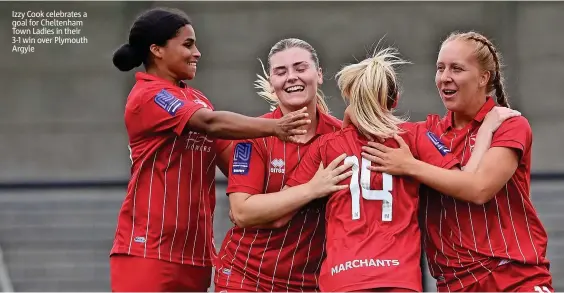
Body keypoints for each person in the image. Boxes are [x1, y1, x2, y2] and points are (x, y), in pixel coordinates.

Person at [109, 8, 312, 292]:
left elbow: (235, 159)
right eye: (188, 45)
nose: (198, 53)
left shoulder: (197, 99)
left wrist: (295, 181)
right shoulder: (148, 96)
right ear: (156, 50)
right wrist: (275, 127)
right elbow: (211, 123)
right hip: (147, 252)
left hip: (197, 256)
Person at [284, 47, 518, 292]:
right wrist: (485, 130)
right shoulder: (414, 136)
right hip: (398, 279)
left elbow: (285, 206)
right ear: (394, 100)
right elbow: (467, 180)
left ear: (351, 98)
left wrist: (312, 188)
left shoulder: (326, 146)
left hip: (342, 280)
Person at [361, 31, 553, 292]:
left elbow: (479, 189)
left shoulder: (510, 125)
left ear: (483, 78)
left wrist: (409, 166)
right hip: (454, 285)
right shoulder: (426, 133)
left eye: (457, 68)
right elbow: (361, 118)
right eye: (440, 68)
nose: (444, 77)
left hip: (512, 277)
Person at [213, 38, 351, 292]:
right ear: (271, 82)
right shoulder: (253, 135)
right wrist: (312, 189)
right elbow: (243, 212)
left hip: (310, 283)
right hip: (245, 277)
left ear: (319, 74)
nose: (291, 77)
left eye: (300, 68)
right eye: (281, 71)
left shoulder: (341, 135)